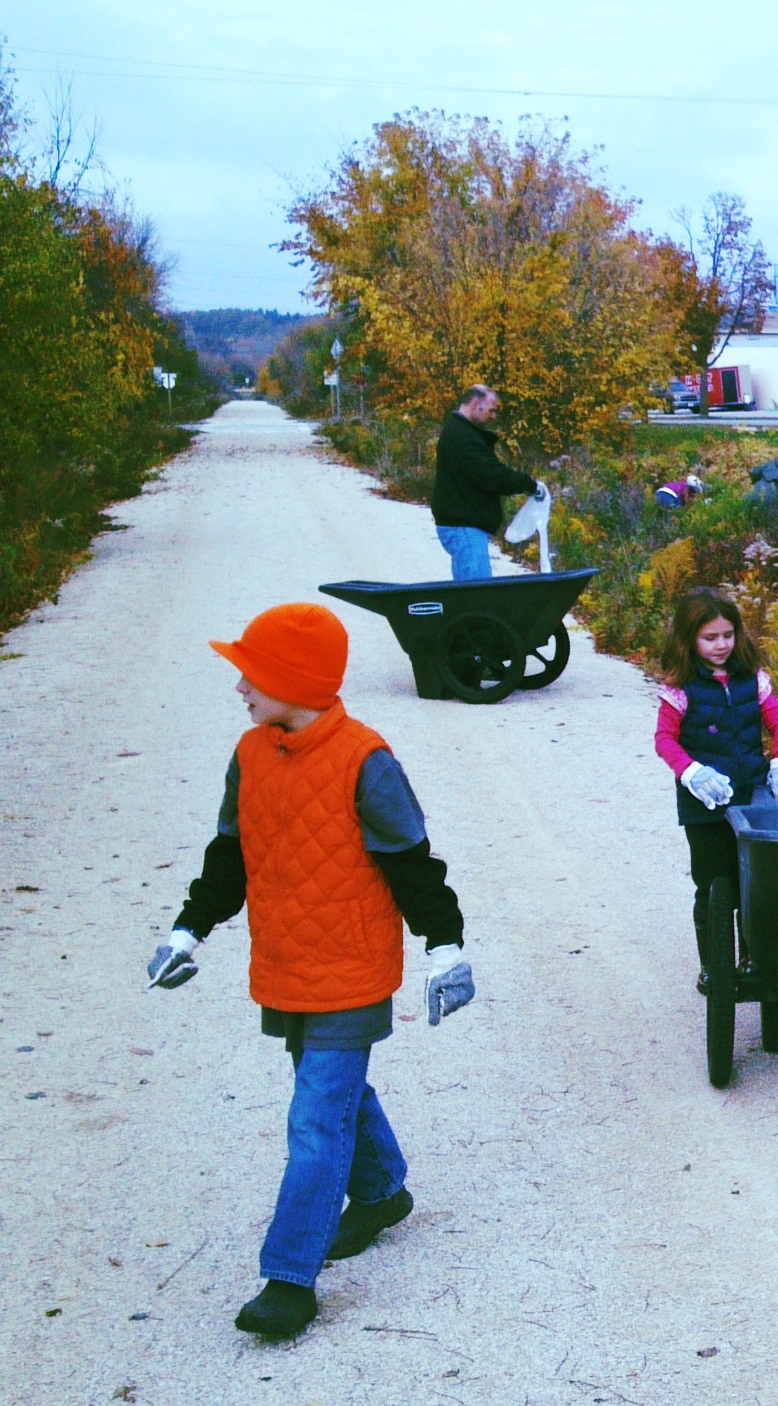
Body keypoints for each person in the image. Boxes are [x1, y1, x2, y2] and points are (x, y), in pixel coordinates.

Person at [144, 603, 476, 1339]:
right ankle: (384, 1192)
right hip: (286, 961)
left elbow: (412, 865)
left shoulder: (367, 761)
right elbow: (229, 853)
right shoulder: (251, 752)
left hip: (351, 968)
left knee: (315, 1121)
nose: (240, 689)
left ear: (292, 680)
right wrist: (188, 929)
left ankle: (289, 1279)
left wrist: (446, 944)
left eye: (250, 674)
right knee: (330, 1091)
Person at [655, 591, 778, 989]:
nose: (721, 645)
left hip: (751, 796)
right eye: (710, 638)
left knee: (756, 883)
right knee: (712, 884)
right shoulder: (680, 689)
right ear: (689, 640)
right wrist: (690, 772)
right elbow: (664, 740)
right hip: (704, 802)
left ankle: (754, 958)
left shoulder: (752, 680)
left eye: (728, 635)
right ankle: (713, 965)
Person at [429, 384, 539, 580]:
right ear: (475, 404)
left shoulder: (460, 432)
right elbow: (492, 476)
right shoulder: (462, 436)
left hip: (463, 526)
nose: (494, 416)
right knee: (476, 598)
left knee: (473, 595)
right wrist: (528, 484)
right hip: (464, 528)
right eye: (492, 410)